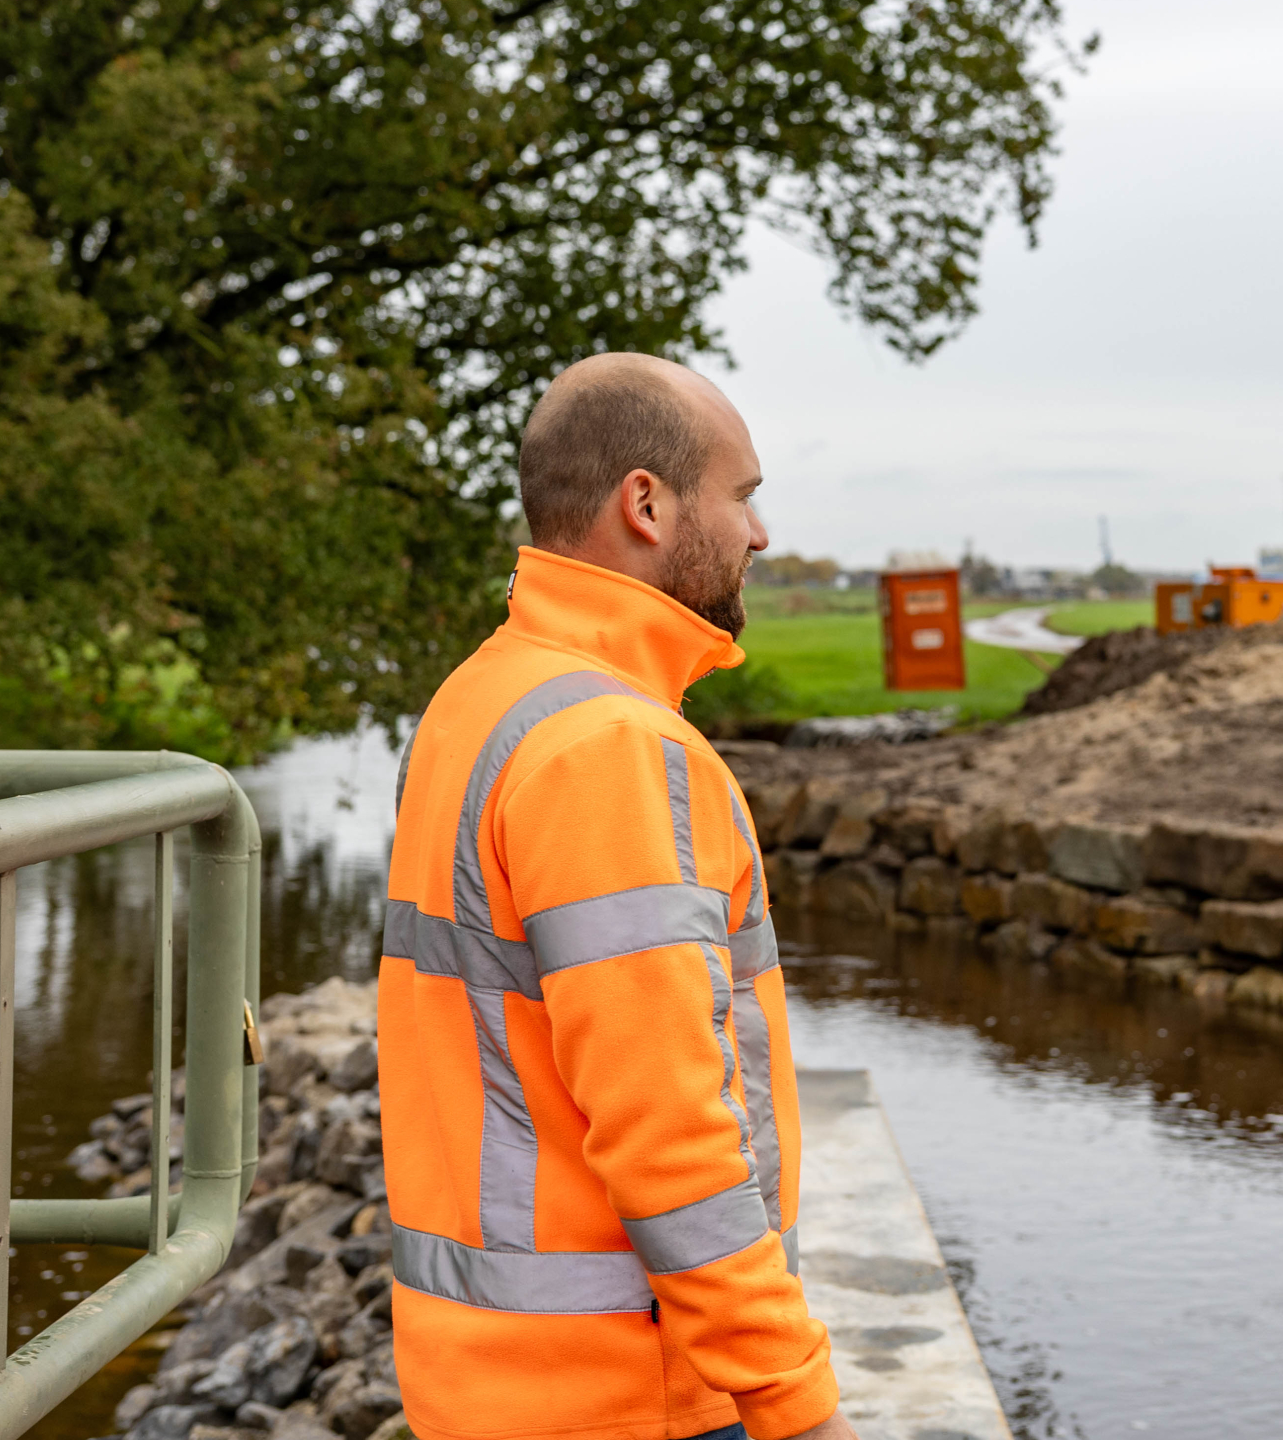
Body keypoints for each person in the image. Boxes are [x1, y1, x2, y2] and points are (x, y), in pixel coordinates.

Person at [378, 353, 856, 1440]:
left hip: (487, 1379)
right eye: (741, 496)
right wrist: (794, 1402)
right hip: (629, 1391)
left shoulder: (481, 698)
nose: (759, 534)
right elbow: (668, 1125)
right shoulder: (610, 747)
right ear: (647, 504)